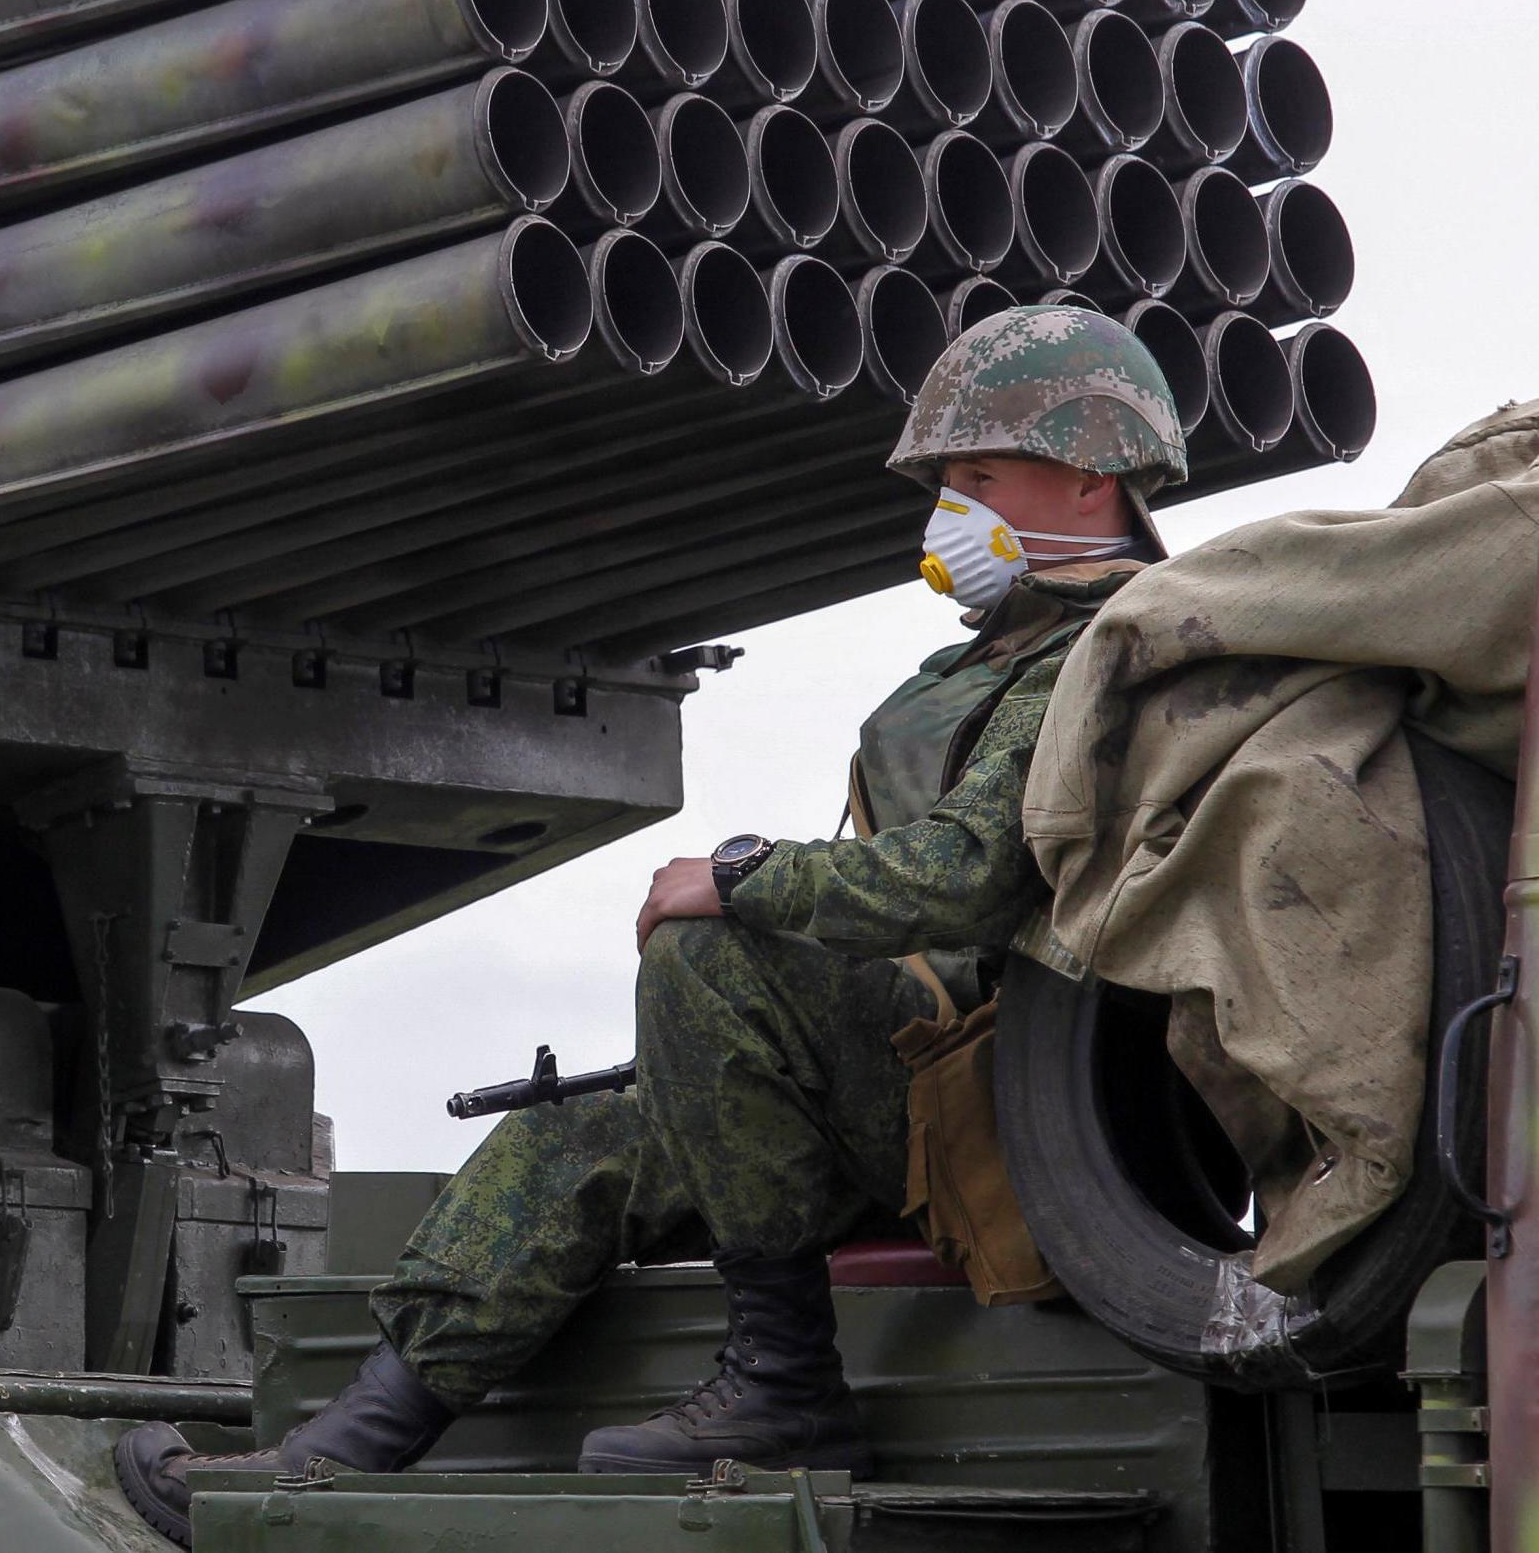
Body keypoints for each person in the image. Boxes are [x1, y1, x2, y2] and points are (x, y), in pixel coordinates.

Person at [114, 307, 1190, 1546]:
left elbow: (955, 880)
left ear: (1092, 474)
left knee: (709, 951)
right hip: (918, 1093)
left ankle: (783, 1386)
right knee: (579, 1138)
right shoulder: (1003, 654)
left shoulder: (1110, 652)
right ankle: (334, 1453)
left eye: (979, 477)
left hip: (1023, 1123)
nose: (951, 511)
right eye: (947, 483)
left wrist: (736, 876)